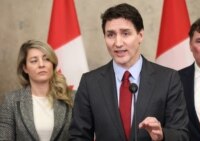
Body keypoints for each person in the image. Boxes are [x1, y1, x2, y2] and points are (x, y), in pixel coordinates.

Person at [69, 3, 189, 141]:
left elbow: (182, 135)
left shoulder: (168, 79)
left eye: (125, 33)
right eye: (111, 35)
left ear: (140, 35)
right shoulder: (90, 82)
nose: (118, 43)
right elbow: (78, 136)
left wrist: (162, 135)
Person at [0, 40, 73, 141]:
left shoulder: (73, 97)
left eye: (46, 59)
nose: (41, 64)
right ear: (25, 68)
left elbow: (81, 136)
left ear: (52, 64)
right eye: (34, 61)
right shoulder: (11, 100)